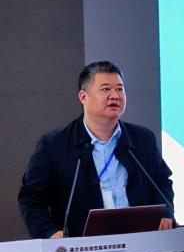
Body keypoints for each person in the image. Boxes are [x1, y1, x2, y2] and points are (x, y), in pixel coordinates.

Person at [17, 61, 174, 239]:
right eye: (105, 89)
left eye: (120, 89)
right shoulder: (54, 145)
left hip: (140, 241)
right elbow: (31, 198)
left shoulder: (143, 139)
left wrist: (165, 213)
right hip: (83, 246)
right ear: (83, 97)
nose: (115, 96)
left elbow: (162, 181)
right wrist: (50, 233)